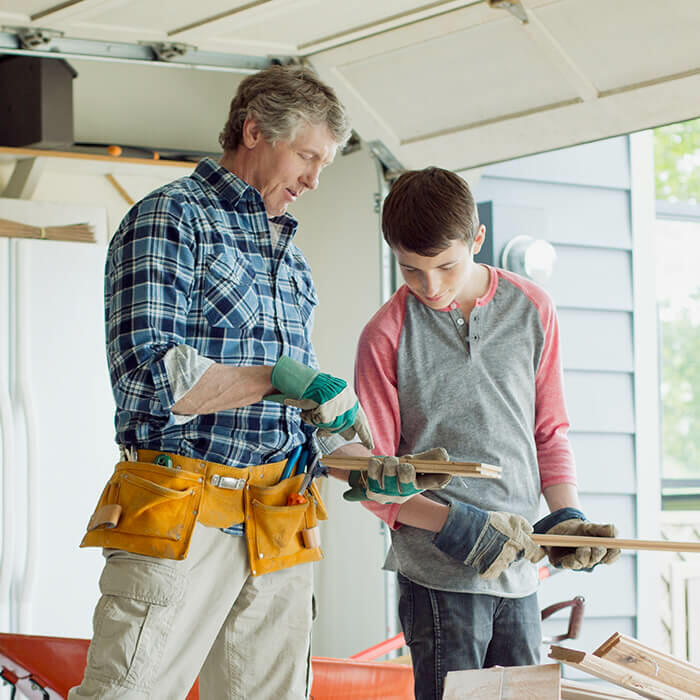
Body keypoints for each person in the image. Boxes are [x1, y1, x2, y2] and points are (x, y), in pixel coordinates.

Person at [70, 64, 374, 700]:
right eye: (307, 157)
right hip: (183, 512)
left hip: (279, 516)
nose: (315, 181)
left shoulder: (290, 260)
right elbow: (148, 378)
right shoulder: (170, 221)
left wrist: (363, 462)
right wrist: (277, 376)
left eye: (325, 165)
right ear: (256, 130)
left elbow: (293, 414)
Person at [340, 167, 622, 700]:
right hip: (438, 579)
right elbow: (372, 477)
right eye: (410, 270)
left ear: (477, 239)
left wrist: (566, 514)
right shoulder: (384, 336)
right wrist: (457, 525)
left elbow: (550, 432)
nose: (430, 286)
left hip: (520, 573)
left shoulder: (534, 308)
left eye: (445, 266)